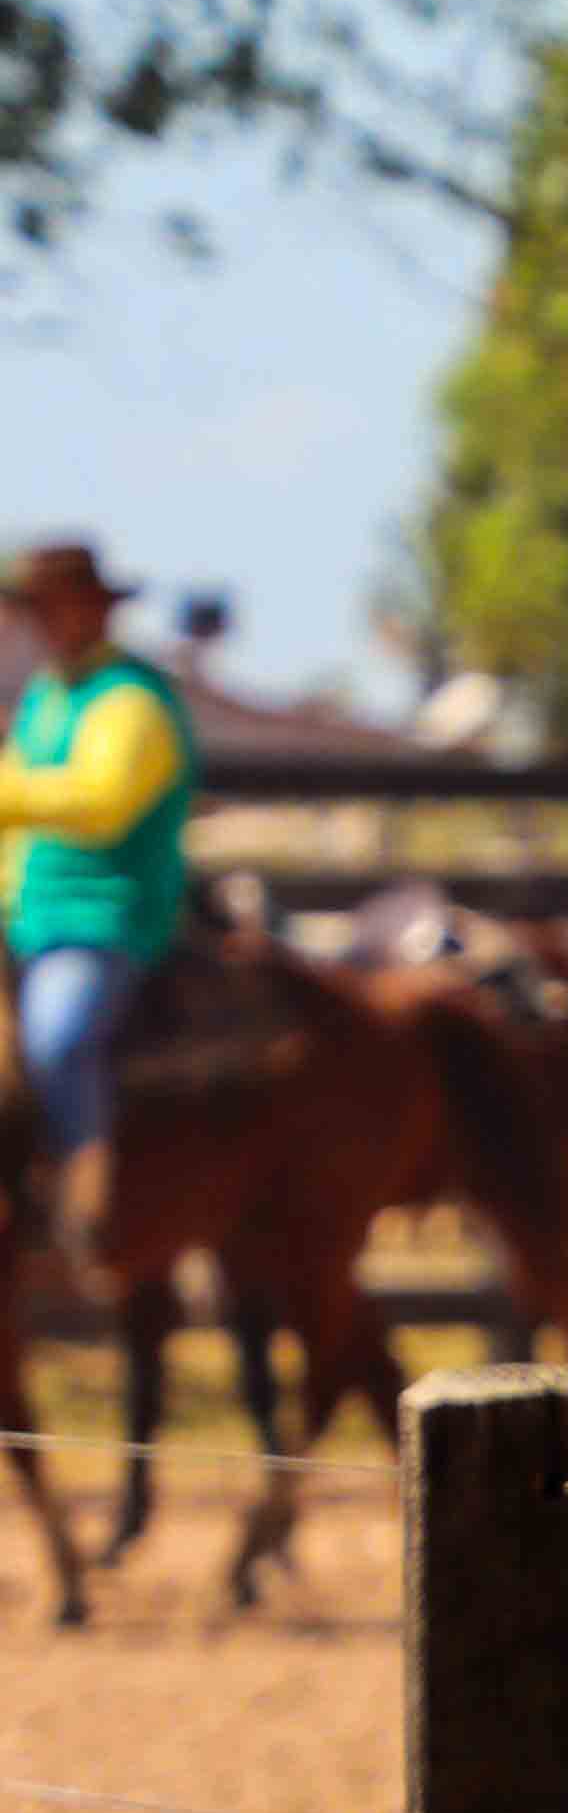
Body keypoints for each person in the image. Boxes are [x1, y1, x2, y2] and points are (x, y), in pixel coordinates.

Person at [0, 538, 198, 1294]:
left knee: (58, 1036)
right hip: (29, 912)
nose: (45, 624)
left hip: (106, 915)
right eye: (36, 610)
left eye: (55, 607)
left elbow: (102, 801)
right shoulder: (50, 694)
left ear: (95, 609)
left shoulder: (133, 698)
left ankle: (85, 1195)